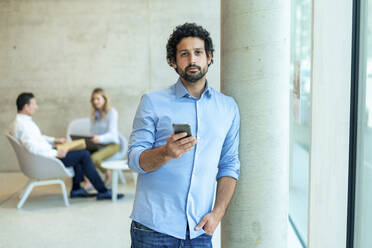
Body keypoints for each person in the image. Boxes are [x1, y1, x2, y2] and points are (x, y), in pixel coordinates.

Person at [128, 23, 240, 247]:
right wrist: (165, 153)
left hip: (200, 231)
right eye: (184, 54)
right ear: (173, 61)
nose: (192, 60)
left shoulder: (228, 108)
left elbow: (229, 165)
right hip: (153, 228)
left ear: (209, 57)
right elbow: (134, 159)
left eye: (198, 53)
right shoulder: (152, 102)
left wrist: (217, 214)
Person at [10, 92, 123, 201]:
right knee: (84, 154)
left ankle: (77, 189)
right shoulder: (23, 125)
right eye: (34, 104)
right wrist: (55, 153)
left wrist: (55, 140)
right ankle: (102, 191)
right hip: (46, 157)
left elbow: (38, 138)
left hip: (45, 154)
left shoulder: (22, 122)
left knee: (78, 151)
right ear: (26, 107)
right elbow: (32, 147)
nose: (36, 107)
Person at [82, 88, 120, 189]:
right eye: (93, 99)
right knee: (82, 155)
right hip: (97, 144)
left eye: (98, 99)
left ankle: (107, 173)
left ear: (104, 99)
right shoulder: (94, 115)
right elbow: (92, 132)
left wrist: (99, 138)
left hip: (112, 145)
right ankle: (87, 180)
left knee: (94, 158)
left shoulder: (112, 112)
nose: (95, 101)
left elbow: (112, 134)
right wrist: (91, 139)